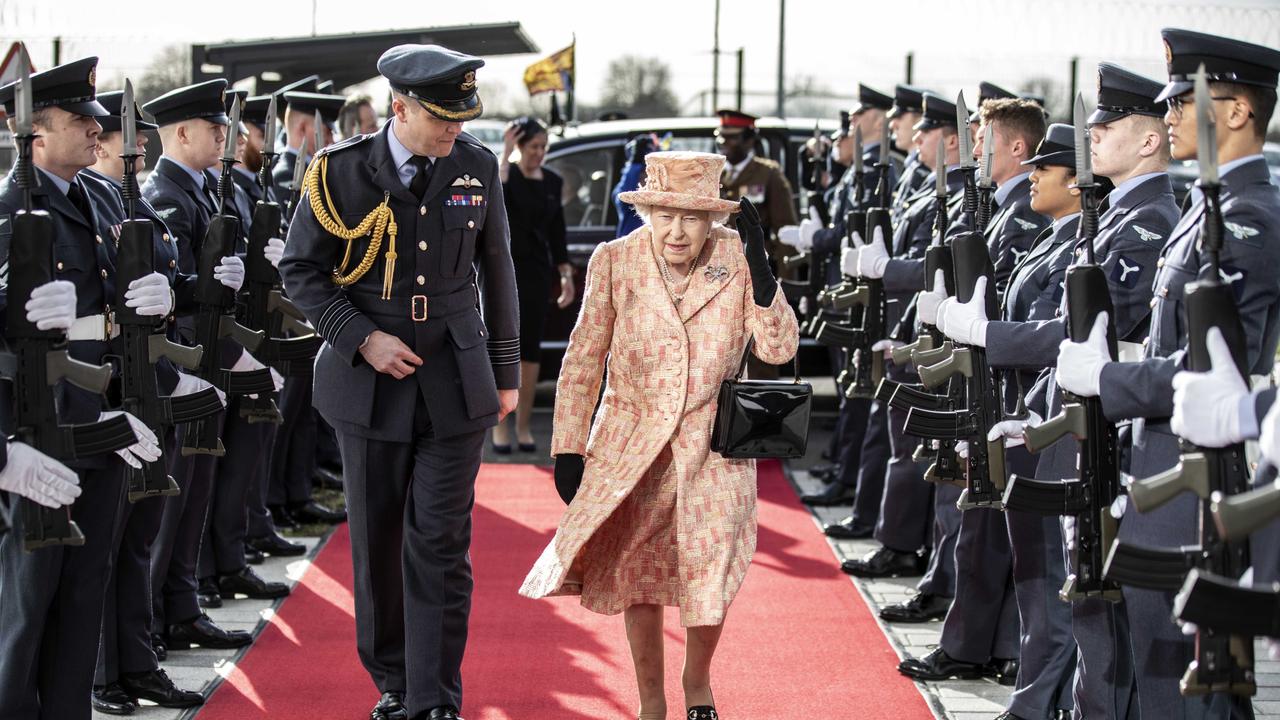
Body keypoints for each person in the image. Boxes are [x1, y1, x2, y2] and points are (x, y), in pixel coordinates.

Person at [279, 43, 520, 720]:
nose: (456, 128)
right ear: (400, 107)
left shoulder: (475, 165)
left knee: (439, 539)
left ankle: (433, 696)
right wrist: (362, 337)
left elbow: (497, 270)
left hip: (455, 376)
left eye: (463, 114)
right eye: (442, 116)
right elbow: (301, 271)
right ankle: (393, 682)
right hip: (369, 381)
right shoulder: (340, 172)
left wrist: (506, 372)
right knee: (379, 542)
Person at [520, 150, 798, 720]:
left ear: (713, 220)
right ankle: (651, 703)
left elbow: (778, 349)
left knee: (710, 563)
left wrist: (764, 270)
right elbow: (582, 360)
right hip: (630, 445)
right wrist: (569, 446)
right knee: (638, 576)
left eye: (692, 217)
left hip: (713, 445)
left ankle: (697, 683)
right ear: (646, 211)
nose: (676, 230)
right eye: (664, 214)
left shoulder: (738, 261)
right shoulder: (614, 261)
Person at [1055, 28, 1280, 718]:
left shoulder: (1249, 219)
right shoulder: (1207, 215)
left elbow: (1219, 370)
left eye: (1186, 101)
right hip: (1159, 455)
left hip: (1204, 466)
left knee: (1189, 673)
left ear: (1237, 111)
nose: (1171, 116)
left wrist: (1111, 383)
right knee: (1147, 656)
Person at [0, 57, 163, 720]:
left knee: (81, 596)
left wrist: (165, 295)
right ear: (35, 135)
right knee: (26, 605)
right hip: (35, 439)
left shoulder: (97, 198)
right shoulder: (9, 211)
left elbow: (124, 305)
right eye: (79, 120)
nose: (97, 131)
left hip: (97, 428)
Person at [83, 88, 214, 715]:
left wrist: (200, 285)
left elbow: (165, 292)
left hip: (153, 384)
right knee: (109, 538)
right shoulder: (93, 204)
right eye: (121, 135)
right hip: (110, 389)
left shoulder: (124, 202)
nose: (138, 145)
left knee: (139, 533)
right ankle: (105, 672)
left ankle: (138, 662)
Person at [141, 78, 256, 658]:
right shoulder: (167, 194)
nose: (223, 136)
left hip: (206, 355)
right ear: (181, 133)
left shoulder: (204, 189)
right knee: (172, 496)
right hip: (183, 358)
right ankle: (156, 615)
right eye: (213, 128)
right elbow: (174, 288)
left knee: (196, 491)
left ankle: (181, 606)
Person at [492, 116, 573, 454]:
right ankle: (499, 428)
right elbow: (495, 199)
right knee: (501, 347)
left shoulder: (552, 181)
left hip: (538, 275)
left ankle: (524, 426)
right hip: (506, 273)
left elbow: (558, 232)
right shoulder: (507, 180)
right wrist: (506, 150)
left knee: (530, 350)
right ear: (520, 147)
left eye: (543, 147)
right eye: (533, 147)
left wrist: (565, 276)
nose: (539, 153)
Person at [715, 109, 798, 267]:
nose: (723, 142)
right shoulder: (714, 174)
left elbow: (785, 230)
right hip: (718, 263)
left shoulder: (769, 174)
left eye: (732, 138)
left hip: (756, 264)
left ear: (749, 140)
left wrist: (785, 279)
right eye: (720, 137)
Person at [613, 133, 656, 238]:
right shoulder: (627, 198)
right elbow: (624, 195)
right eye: (642, 173)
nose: (646, 179)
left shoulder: (661, 196)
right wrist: (635, 164)